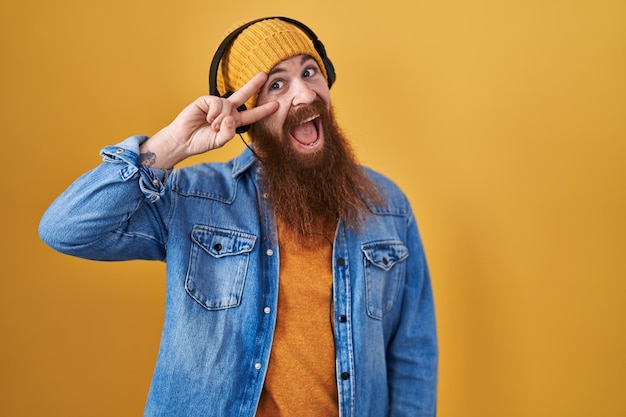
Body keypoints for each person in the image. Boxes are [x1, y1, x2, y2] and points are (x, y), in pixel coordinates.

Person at [39, 16, 438, 417]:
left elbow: (413, 354)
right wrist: (172, 144)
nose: (303, 94)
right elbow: (66, 228)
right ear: (247, 113)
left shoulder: (387, 206)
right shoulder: (193, 198)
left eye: (310, 71)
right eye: (276, 85)